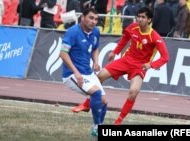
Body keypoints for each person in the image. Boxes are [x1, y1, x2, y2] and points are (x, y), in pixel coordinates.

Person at [72, 7, 169, 125]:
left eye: (143, 17)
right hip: (126, 60)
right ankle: (87, 104)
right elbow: (124, 39)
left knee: (133, 91)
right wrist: (115, 52)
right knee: (99, 76)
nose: (140, 19)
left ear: (149, 20)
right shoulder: (132, 27)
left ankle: (118, 121)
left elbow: (165, 57)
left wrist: (151, 65)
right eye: (138, 16)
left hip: (139, 66)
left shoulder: (154, 37)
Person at [59, 8, 107, 137]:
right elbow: (63, 53)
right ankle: (97, 127)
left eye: (96, 19)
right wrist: (76, 73)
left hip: (88, 72)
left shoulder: (96, 32)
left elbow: (95, 49)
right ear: (83, 18)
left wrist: (96, 61)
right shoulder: (73, 32)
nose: (93, 21)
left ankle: (96, 129)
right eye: (91, 18)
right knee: (96, 93)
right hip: (71, 75)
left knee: (104, 102)